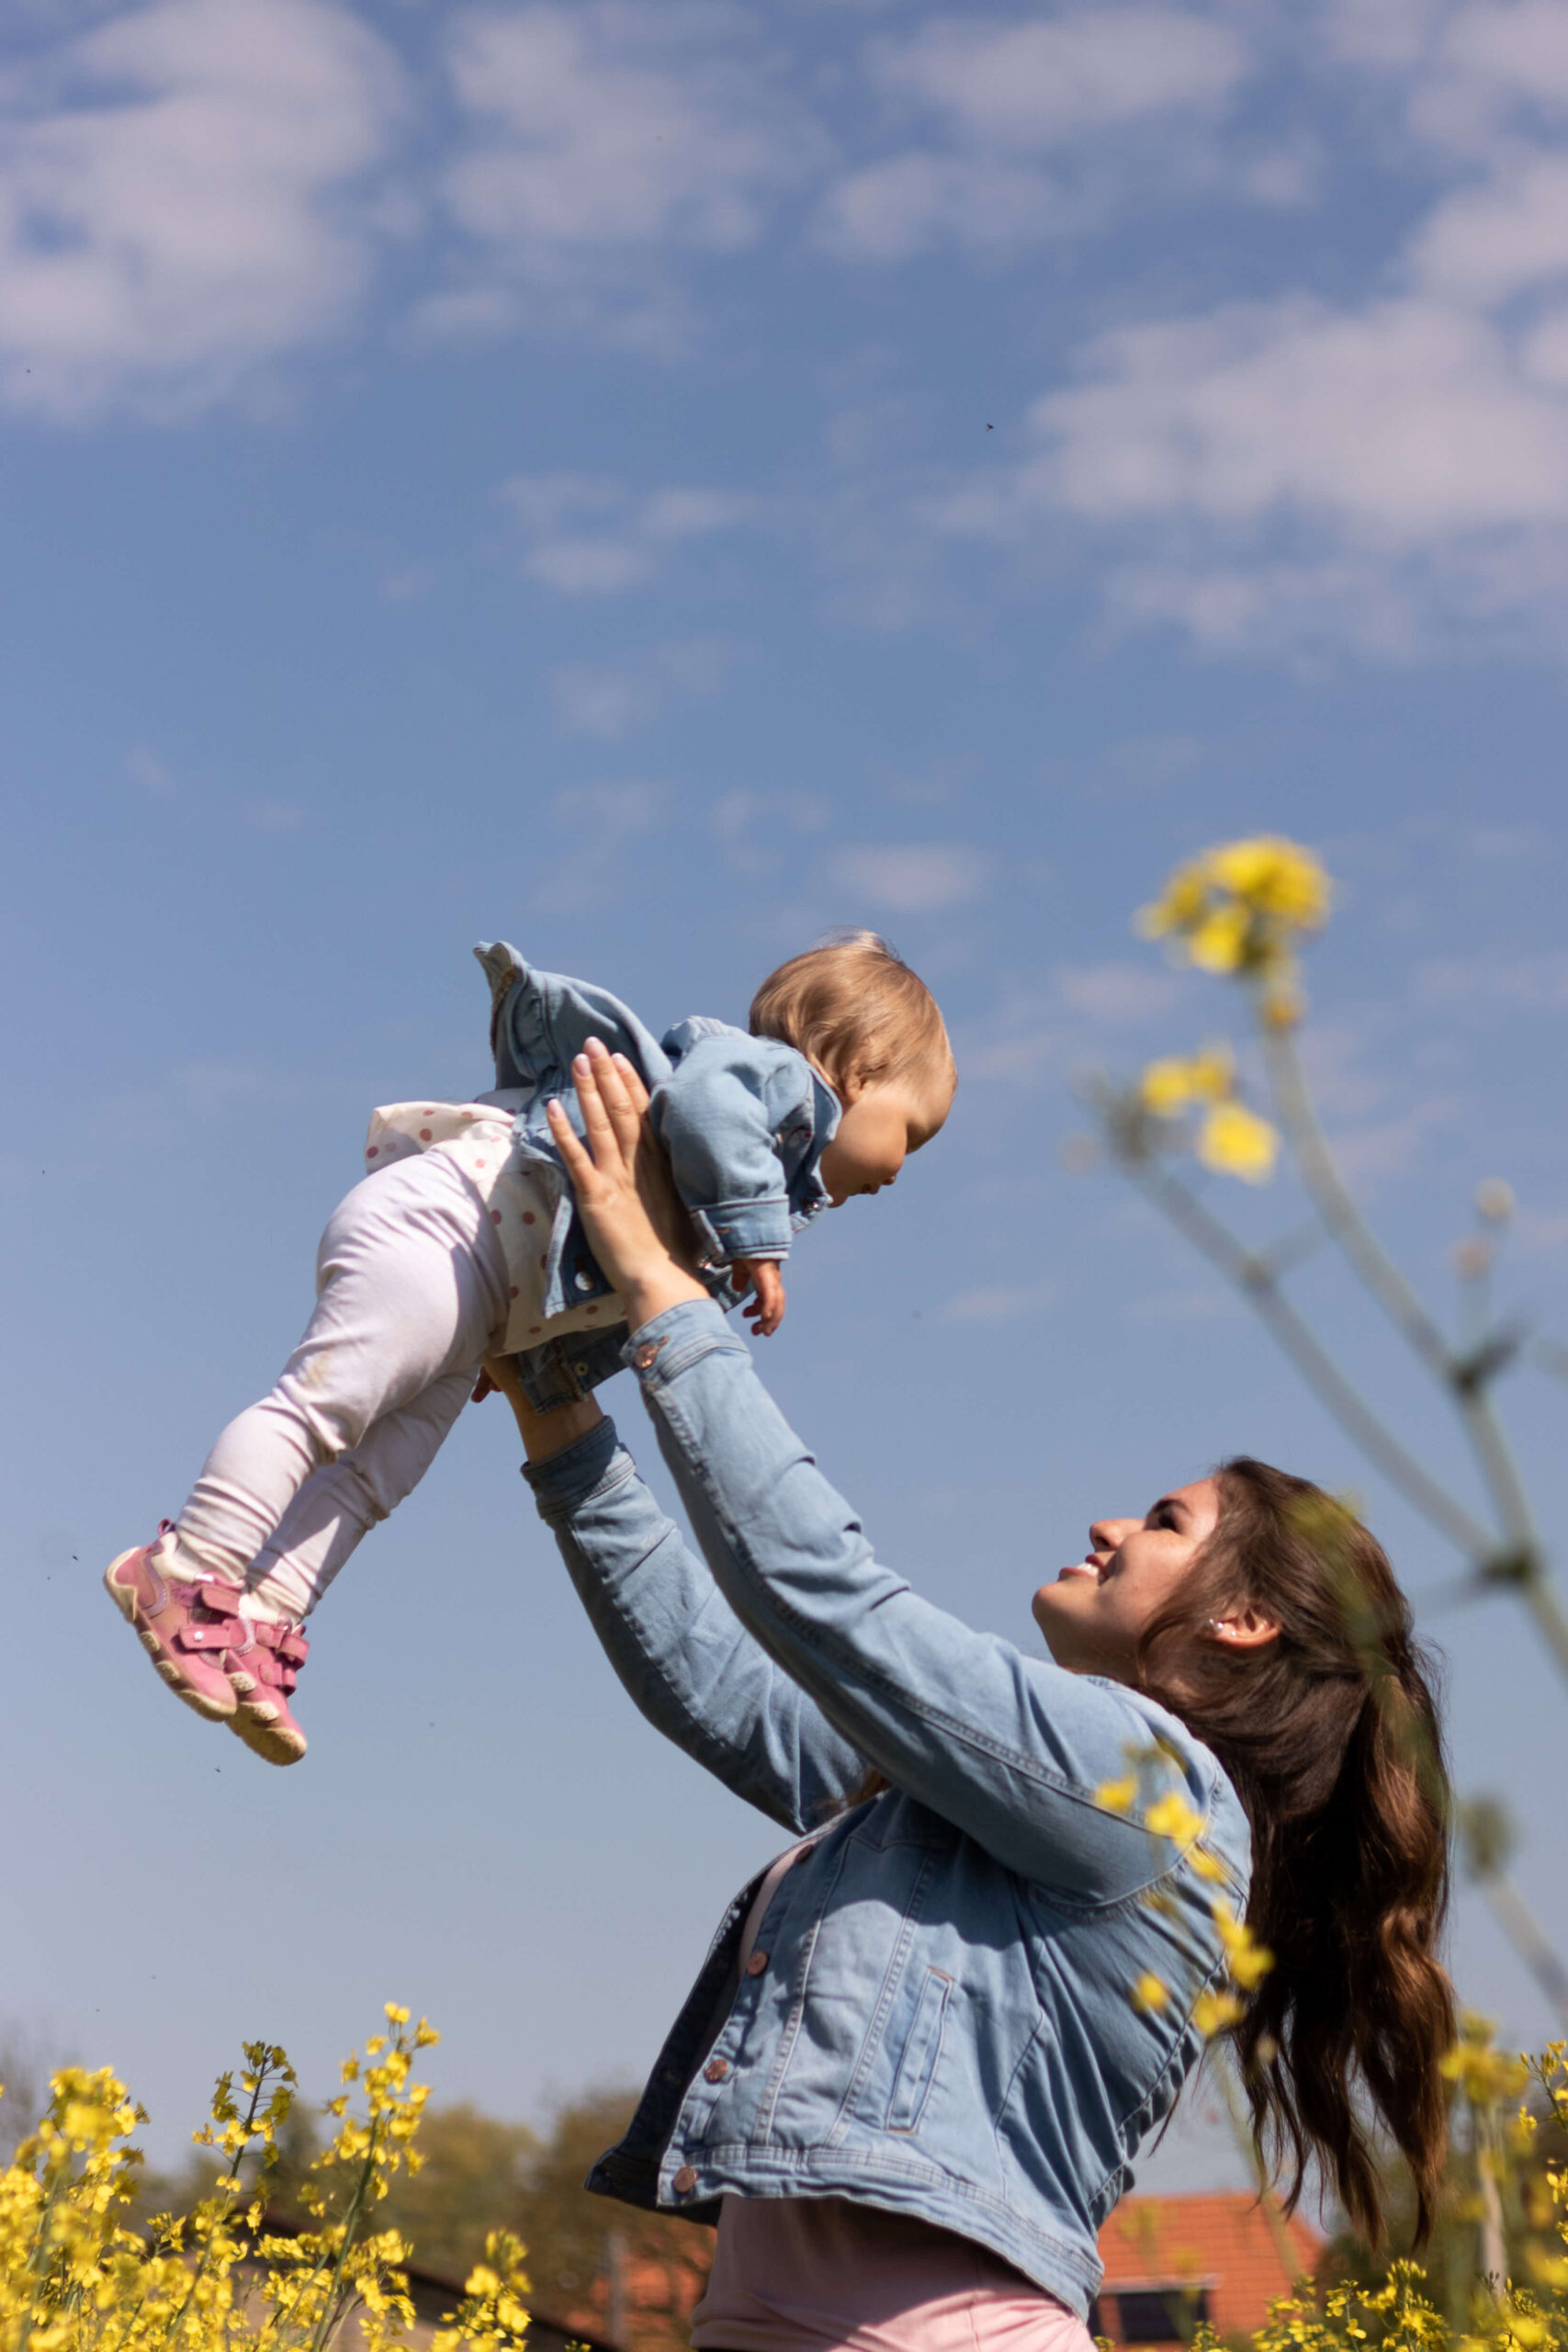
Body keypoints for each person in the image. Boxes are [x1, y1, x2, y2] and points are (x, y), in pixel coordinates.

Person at [490, 1038, 1455, 2352]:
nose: (1110, 1523)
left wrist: (662, 1288)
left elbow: (825, 1602)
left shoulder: (1155, 1798)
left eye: (1166, 1522)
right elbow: (727, 1691)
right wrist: (553, 1409)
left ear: (1242, 1621)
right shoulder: (965, 1804)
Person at [103, 935, 955, 1765]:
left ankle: (261, 1616)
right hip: (447, 1229)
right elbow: (703, 1114)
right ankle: (186, 1564)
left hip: (480, 1293)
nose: (900, 1170)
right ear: (860, 1069)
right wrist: (756, 1242)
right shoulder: (768, 1081)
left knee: (378, 1475)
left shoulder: (747, 1156)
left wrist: (530, 1336)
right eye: (910, 1135)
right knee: (322, 1411)